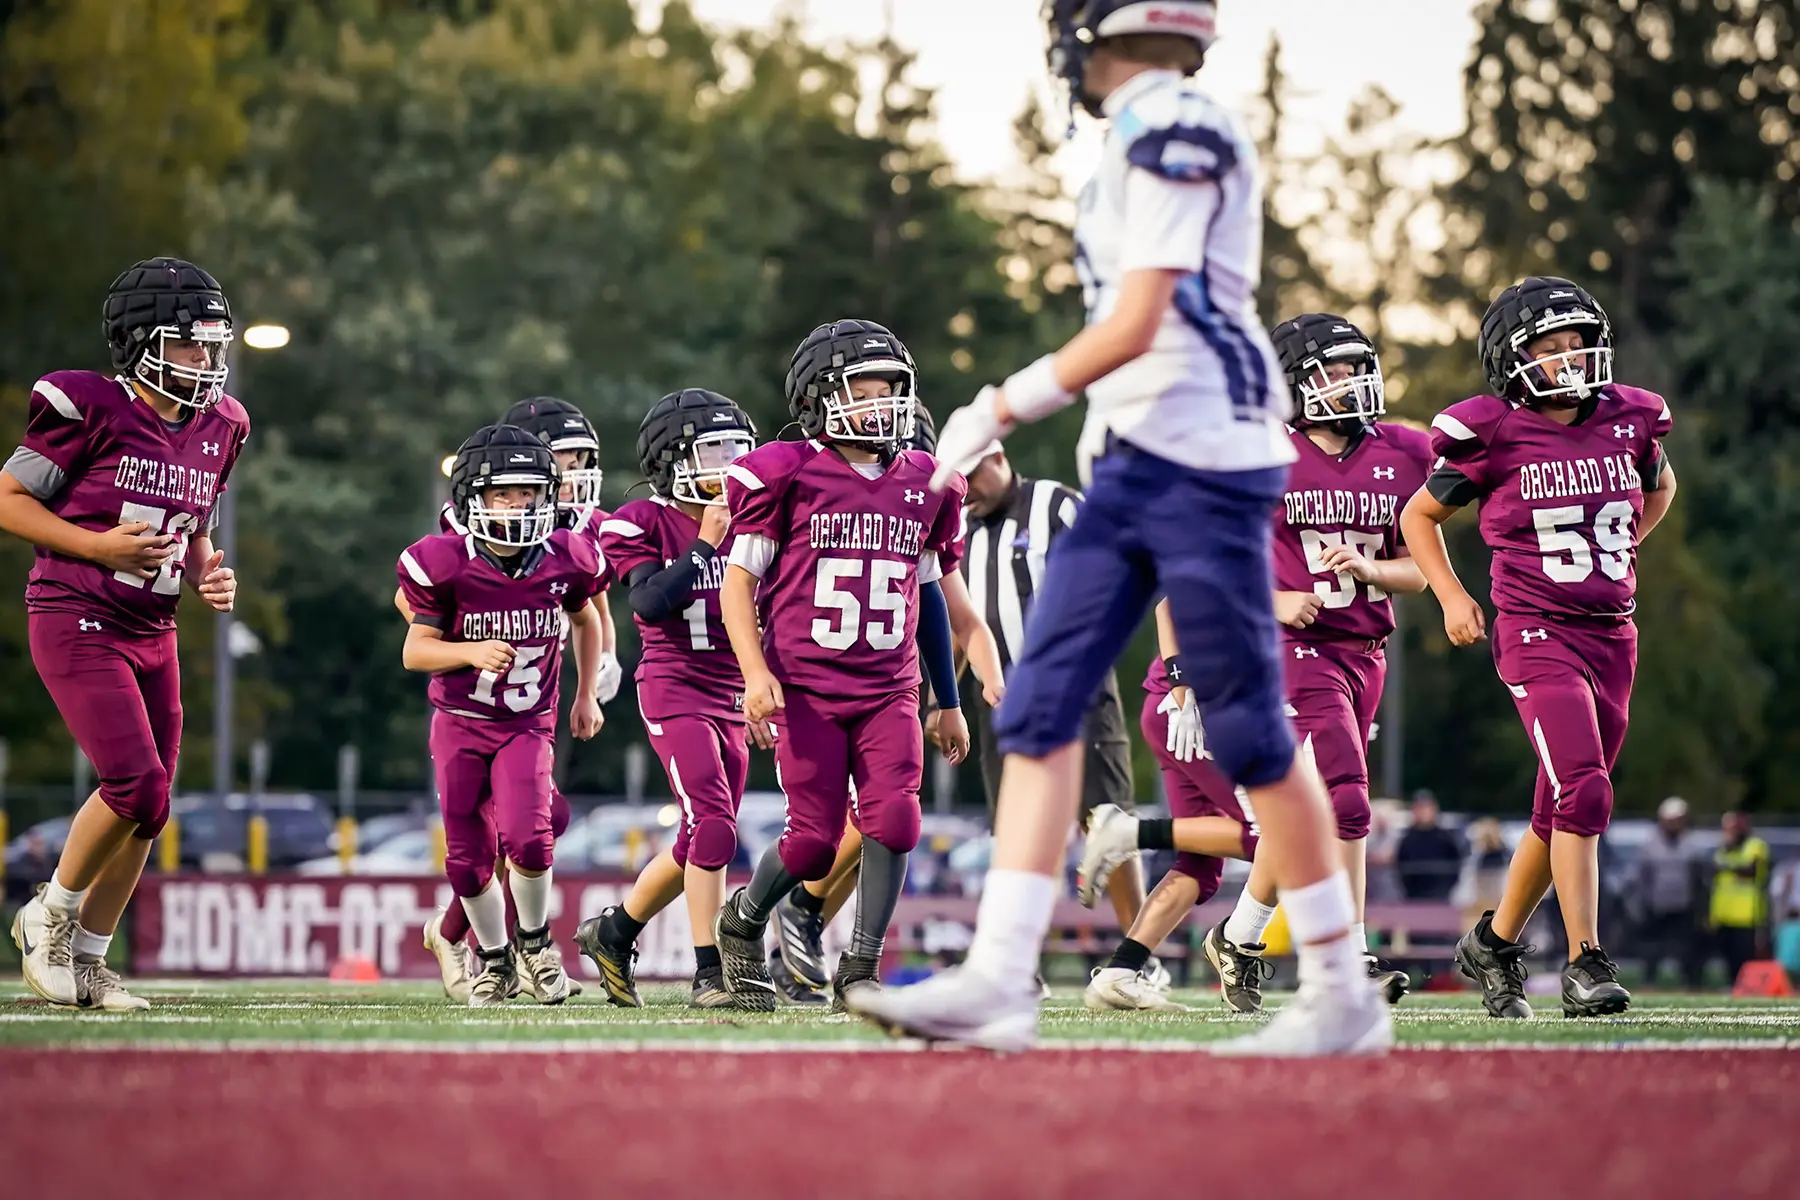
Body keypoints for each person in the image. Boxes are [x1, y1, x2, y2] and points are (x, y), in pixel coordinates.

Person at [848, 0, 1390, 1056]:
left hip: (1207, 465)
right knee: (1040, 702)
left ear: (1103, 28)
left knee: (1245, 727)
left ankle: (1340, 991)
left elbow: (1143, 317)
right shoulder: (1137, 135)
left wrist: (1002, 405)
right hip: (1138, 465)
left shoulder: (1174, 124)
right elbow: (1134, 339)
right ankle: (1002, 977)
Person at [1401, 275, 1677, 1019]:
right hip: (1535, 630)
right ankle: (1586, 962)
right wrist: (1456, 596)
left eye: (1578, 343)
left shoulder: (1630, 417)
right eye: (1551, 348)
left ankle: (1492, 943)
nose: (1571, 358)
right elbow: (1418, 516)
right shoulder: (1492, 430)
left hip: (1612, 632)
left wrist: (1620, 550)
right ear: (1515, 359)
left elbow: (1659, 487)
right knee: (1584, 789)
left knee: (1561, 809)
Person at [3, 257, 246, 1012]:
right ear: (141, 342)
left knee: (154, 805)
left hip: (154, 623)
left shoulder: (223, 424)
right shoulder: (87, 404)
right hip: (76, 611)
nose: (207, 362)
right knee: (133, 783)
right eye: (189, 345)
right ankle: (48, 916)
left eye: (213, 345)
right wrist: (98, 545)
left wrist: (209, 570)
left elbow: (195, 522)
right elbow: (9, 500)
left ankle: (90, 961)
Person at [713, 319, 970, 1011]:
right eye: (866, 386)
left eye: (892, 388)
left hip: (890, 687)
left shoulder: (925, 482)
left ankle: (860, 967)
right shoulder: (786, 472)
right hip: (806, 687)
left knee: (896, 820)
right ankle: (742, 921)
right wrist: (755, 673)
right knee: (812, 846)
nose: (882, 402)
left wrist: (947, 697)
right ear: (819, 396)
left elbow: (930, 596)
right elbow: (737, 585)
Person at [409, 396, 618, 1002]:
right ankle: (491, 957)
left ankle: (533, 947)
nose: (523, 506)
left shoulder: (564, 550)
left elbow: (584, 608)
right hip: (463, 717)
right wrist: (466, 649)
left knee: (534, 832)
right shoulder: (448, 555)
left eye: (534, 492)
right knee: (469, 858)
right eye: (509, 494)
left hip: (527, 719)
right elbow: (416, 637)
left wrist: (590, 683)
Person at [572, 388, 759, 1009]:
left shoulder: (756, 521)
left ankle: (614, 931)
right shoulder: (641, 520)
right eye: (717, 450)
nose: (732, 461)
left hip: (734, 691)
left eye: (739, 447)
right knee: (713, 823)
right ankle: (710, 971)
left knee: (697, 839)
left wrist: (765, 687)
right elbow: (648, 602)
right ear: (673, 458)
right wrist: (704, 544)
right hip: (675, 685)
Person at [957, 443, 1153, 958]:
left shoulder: (1057, 505)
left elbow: (1114, 579)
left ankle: (1137, 959)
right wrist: (939, 700)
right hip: (1004, 704)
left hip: (1080, 692)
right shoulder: (957, 527)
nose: (964, 490)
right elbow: (960, 627)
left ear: (997, 458)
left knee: (1110, 818)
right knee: (1013, 831)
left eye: (969, 475)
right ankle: (1018, 963)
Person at [1080, 599, 1262, 1013]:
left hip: (1188, 706)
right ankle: (1129, 832)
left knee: (1199, 865)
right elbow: (1171, 605)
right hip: (1191, 708)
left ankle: (1120, 973)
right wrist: (1182, 689)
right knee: (1273, 836)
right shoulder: (1250, 538)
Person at [1633, 796, 1705, 988]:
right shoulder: (1650, 845)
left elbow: (1698, 878)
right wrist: (1643, 903)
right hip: (1656, 905)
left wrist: (1698, 907)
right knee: (1652, 948)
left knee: (1687, 949)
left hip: (1683, 905)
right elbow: (1642, 877)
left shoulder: (1691, 845)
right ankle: (1649, 981)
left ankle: (1691, 983)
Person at [1710, 810, 1770, 987]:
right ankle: (1731, 984)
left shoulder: (1755, 845)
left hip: (1746, 914)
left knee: (1745, 955)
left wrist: (1728, 864)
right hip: (1724, 913)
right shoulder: (1723, 848)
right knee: (1727, 955)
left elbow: (1750, 869)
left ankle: (1747, 986)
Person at [1394, 791, 1463, 901]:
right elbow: (1400, 865)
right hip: (1413, 897)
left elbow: (1456, 863)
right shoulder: (1407, 839)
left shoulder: (1445, 838)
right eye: (1420, 808)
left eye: (1427, 808)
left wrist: (1445, 888)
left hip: (1441, 896)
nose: (1424, 812)